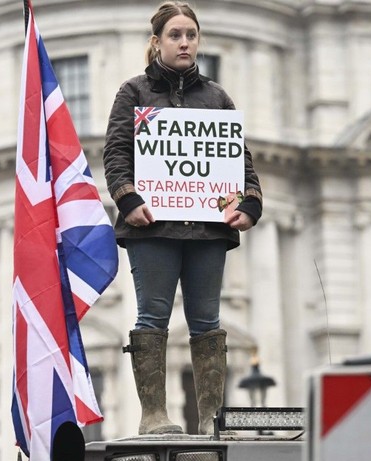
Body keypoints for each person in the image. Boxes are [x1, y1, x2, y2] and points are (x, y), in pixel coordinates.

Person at [102, 1, 263, 436]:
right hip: (152, 228)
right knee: (152, 317)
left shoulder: (217, 97)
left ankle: (212, 418)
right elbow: (115, 154)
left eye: (191, 34)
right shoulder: (133, 92)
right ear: (157, 42)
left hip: (208, 231)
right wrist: (128, 198)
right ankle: (153, 414)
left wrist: (250, 205)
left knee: (207, 322)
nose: (185, 42)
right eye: (175, 35)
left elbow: (240, 163)